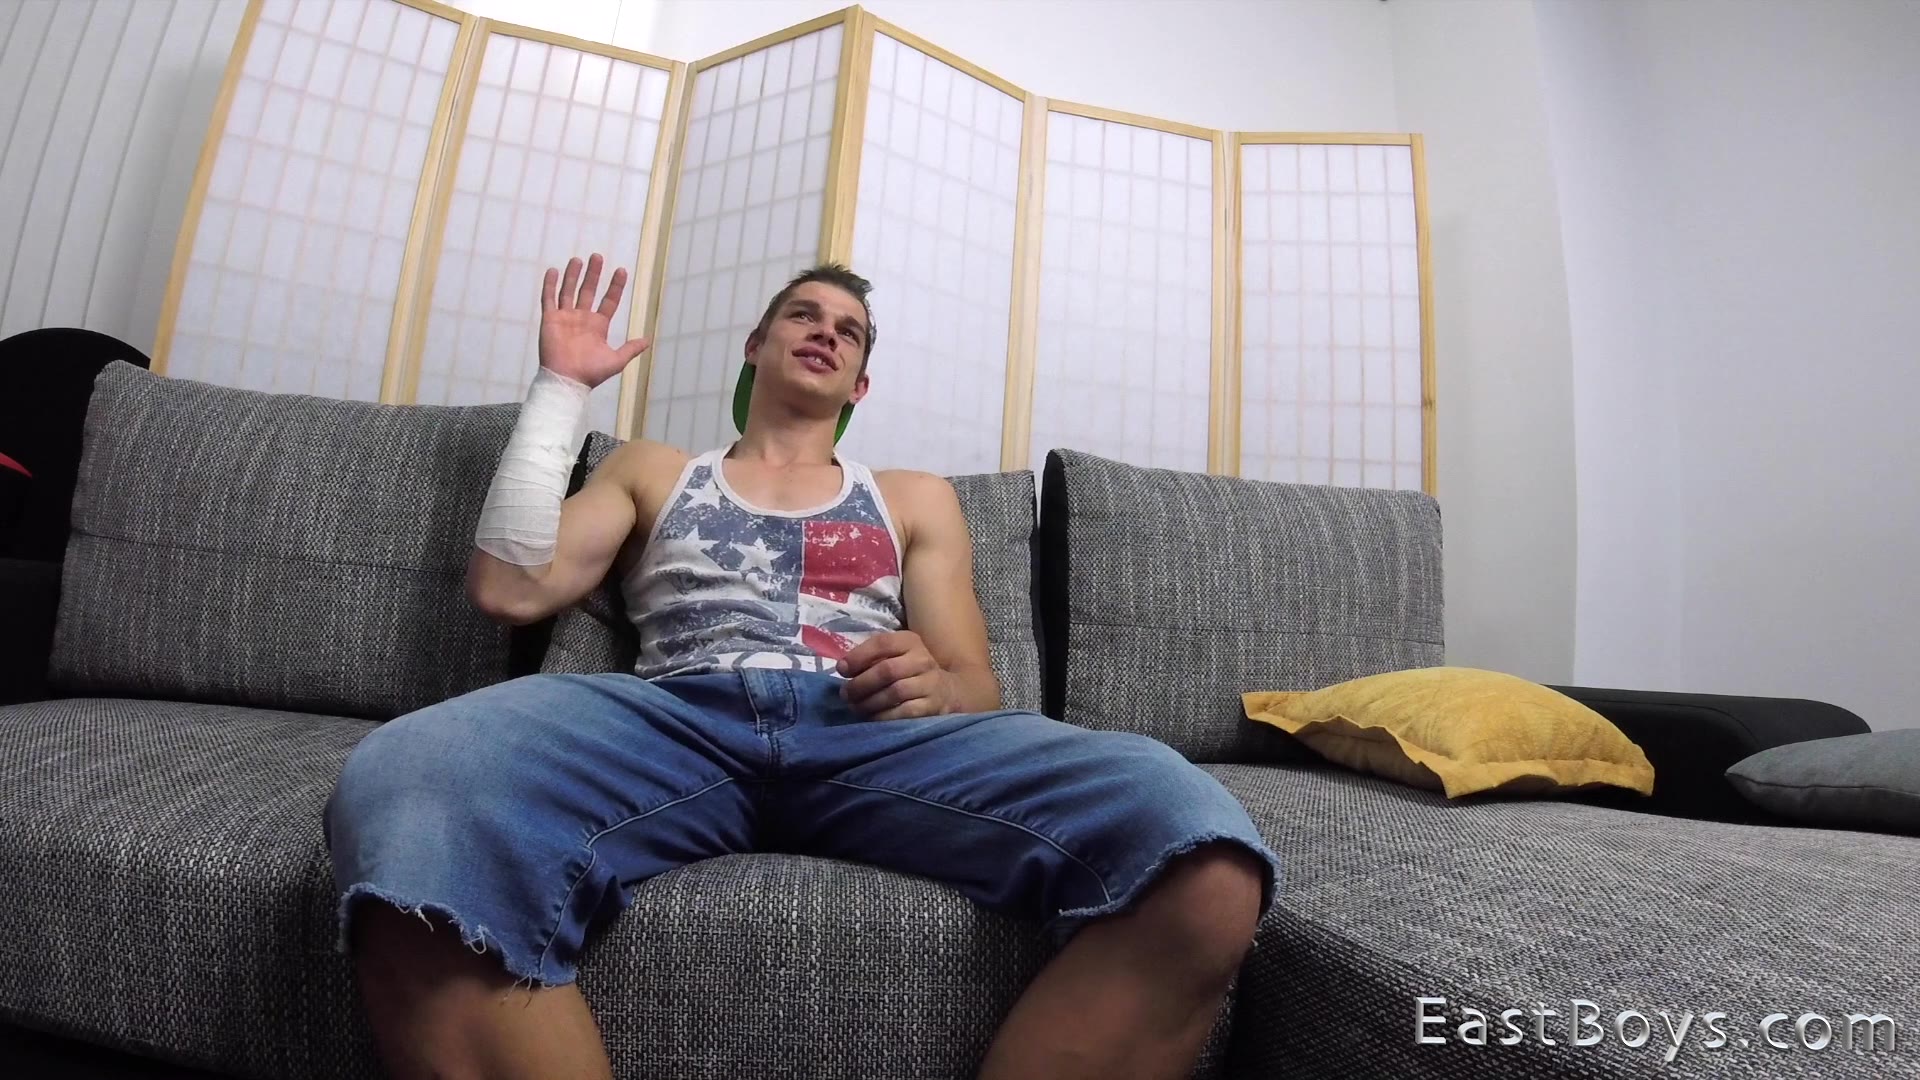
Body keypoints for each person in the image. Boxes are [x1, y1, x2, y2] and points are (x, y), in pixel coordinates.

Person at [323, 253, 1280, 1080]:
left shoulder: (913, 497)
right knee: (412, 776)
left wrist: (934, 681)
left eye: (848, 332)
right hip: (674, 722)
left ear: (859, 384)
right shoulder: (653, 470)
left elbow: (974, 686)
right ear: (755, 346)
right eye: (803, 315)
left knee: (1195, 844)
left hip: (865, 733)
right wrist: (562, 389)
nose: (826, 333)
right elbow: (508, 587)